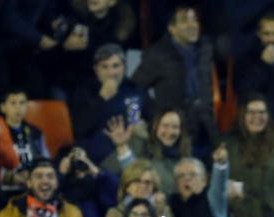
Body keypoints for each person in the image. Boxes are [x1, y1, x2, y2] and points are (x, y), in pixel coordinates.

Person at [131, 6, 216, 154]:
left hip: (205, 128)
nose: (192, 26)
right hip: (175, 133)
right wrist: (155, 114)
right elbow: (135, 89)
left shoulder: (206, 48)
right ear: (172, 28)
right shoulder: (157, 54)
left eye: (194, 20)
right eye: (185, 21)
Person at [69, 43, 151, 163]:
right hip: (98, 157)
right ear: (96, 69)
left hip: (133, 151)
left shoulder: (134, 90)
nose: (111, 72)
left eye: (116, 66)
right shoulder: (84, 92)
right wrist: (102, 98)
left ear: (124, 67)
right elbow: (80, 129)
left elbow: (153, 119)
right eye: (105, 67)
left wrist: (145, 129)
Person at [226, 96, 274, 217]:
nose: (257, 117)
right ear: (242, 115)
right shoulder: (228, 145)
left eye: (262, 112)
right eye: (251, 112)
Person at [102, 109, 192, 193]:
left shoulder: (187, 159)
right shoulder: (140, 145)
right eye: (165, 126)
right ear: (155, 127)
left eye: (175, 127)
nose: (170, 131)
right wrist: (122, 146)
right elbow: (107, 170)